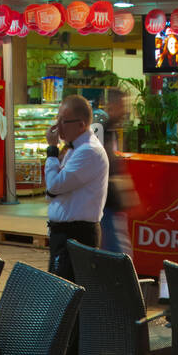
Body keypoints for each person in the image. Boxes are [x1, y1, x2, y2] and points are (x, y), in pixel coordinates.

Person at [45, 94, 109, 281]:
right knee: (60, 293)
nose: (57, 127)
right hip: (64, 234)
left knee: (69, 296)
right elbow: (52, 191)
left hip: (76, 235)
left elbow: (54, 186)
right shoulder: (75, 149)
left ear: (81, 124)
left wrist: (51, 151)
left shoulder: (89, 151)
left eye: (63, 121)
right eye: (57, 120)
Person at [100, 88, 134, 257]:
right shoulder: (102, 130)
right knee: (118, 252)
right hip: (107, 201)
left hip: (110, 201)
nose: (125, 110)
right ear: (112, 106)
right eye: (122, 105)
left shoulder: (109, 129)